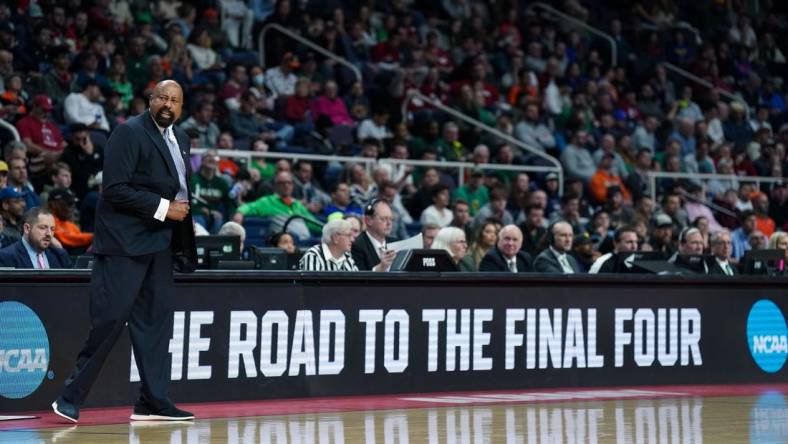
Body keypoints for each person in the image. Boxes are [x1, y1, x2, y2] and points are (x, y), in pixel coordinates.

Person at [53, 80, 197, 423]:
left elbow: (180, 189)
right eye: (162, 97)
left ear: (181, 106)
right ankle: (69, 397)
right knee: (109, 321)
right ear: (150, 99)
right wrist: (164, 207)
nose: (168, 104)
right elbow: (115, 189)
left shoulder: (183, 139)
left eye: (175, 100)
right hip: (125, 244)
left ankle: (153, 402)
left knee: (155, 326)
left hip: (161, 244)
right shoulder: (128, 133)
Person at [0, 207, 71, 268]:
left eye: (52, 229)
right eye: (43, 228)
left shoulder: (60, 255)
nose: (49, 234)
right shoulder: (6, 256)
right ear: (27, 228)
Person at [351, 199, 397, 271]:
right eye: (383, 219)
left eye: (391, 219)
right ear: (368, 220)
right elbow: (359, 278)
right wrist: (380, 268)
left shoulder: (396, 242)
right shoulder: (357, 245)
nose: (389, 223)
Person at [48, 188, 93, 253]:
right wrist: (94, 237)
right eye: (69, 204)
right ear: (54, 204)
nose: (72, 208)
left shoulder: (70, 225)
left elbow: (80, 237)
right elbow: (67, 238)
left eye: (73, 204)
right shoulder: (48, 222)